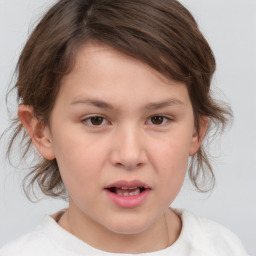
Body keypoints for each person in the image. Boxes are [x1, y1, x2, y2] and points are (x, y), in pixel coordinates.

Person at [0, 0, 249, 255]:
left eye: (158, 119)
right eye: (96, 120)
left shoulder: (223, 247)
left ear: (196, 130)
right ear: (41, 132)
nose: (129, 156)